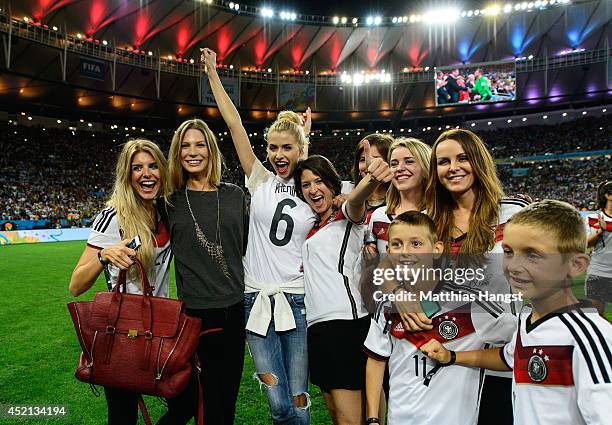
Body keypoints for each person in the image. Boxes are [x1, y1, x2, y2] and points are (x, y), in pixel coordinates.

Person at [421, 200, 612, 425]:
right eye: (508, 252)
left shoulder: (589, 337)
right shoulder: (527, 320)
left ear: (576, 264)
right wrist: (452, 357)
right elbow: (508, 356)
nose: (514, 266)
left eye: (533, 255)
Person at [202, 47, 315, 424]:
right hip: (256, 301)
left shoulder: (315, 190)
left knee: (299, 398)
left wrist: (304, 139)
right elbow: (234, 124)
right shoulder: (259, 180)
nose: (278, 154)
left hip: (298, 302)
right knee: (276, 401)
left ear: (301, 149)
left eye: (288, 147)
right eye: (273, 147)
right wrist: (214, 76)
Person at [363, 211, 515, 425]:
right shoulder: (386, 305)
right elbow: (376, 361)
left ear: (437, 249)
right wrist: (372, 418)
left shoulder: (470, 304)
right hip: (399, 419)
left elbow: (515, 351)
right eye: (396, 245)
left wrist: (453, 357)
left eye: (416, 244)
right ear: (388, 251)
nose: (405, 252)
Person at [424, 128, 529, 424]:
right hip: (451, 354)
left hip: (506, 356)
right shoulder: (427, 223)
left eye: (462, 158)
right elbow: (426, 294)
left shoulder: (514, 213)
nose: (453, 168)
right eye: (443, 162)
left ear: (479, 162)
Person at [69, 139, 172, 425]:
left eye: (153, 166)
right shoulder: (112, 217)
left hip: (161, 326)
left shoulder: (167, 211)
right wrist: (104, 254)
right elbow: (76, 284)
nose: (146, 173)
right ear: (127, 175)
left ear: (163, 171)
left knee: (188, 397)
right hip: (122, 332)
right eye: (137, 168)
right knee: (122, 417)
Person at [158, 118, 247, 425]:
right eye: (185, 145)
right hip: (195, 315)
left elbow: (250, 244)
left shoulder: (235, 195)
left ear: (211, 150)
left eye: (199, 144)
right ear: (176, 153)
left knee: (226, 400)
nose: (192, 152)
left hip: (236, 311)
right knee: (194, 403)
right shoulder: (167, 201)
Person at [295, 148, 392, 425]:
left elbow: (358, 200)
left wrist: (371, 179)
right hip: (319, 330)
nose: (313, 189)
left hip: (347, 327)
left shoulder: (345, 216)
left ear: (332, 184)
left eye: (319, 181)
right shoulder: (314, 228)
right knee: (339, 417)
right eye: (305, 185)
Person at [367, 137, 431, 255]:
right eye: (394, 164)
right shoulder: (378, 216)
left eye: (409, 161)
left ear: (425, 166)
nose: (399, 168)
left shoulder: (439, 216)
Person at [585, 180, 612, 316]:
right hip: (599, 272)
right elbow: (586, 244)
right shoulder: (594, 217)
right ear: (608, 195)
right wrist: (600, 230)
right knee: (596, 315)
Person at [349, 133, 393, 212]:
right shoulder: (346, 198)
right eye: (362, 159)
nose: (369, 166)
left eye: (376, 159)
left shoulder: (403, 200)